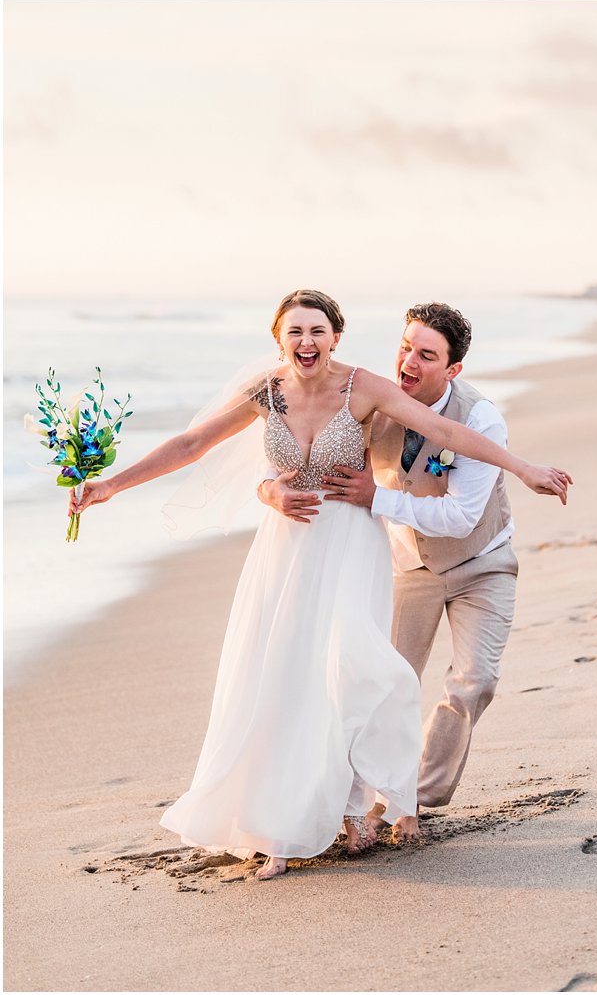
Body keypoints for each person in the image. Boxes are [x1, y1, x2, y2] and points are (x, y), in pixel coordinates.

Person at [71, 289, 571, 880]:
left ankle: (370, 801)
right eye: (295, 332)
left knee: (359, 670)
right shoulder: (266, 391)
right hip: (285, 549)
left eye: (317, 331)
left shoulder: (365, 389)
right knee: (281, 673)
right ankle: (286, 822)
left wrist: (524, 468)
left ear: (337, 336)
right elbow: (192, 443)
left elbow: (450, 434)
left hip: (354, 545)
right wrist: (111, 486)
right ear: (278, 338)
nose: (306, 342)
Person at [258, 302, 518, 828]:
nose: (410, 361)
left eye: (427, 355)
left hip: (482, 563)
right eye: (406, 347)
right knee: (376, 684)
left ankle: (410, 797)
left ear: (452, 370)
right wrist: (269, 489)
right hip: (405, 567)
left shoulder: (481, 417)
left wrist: (374, 498)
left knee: (475, 682)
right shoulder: (366, 403)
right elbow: (301, 456)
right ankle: (352, 806)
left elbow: (462, 517)